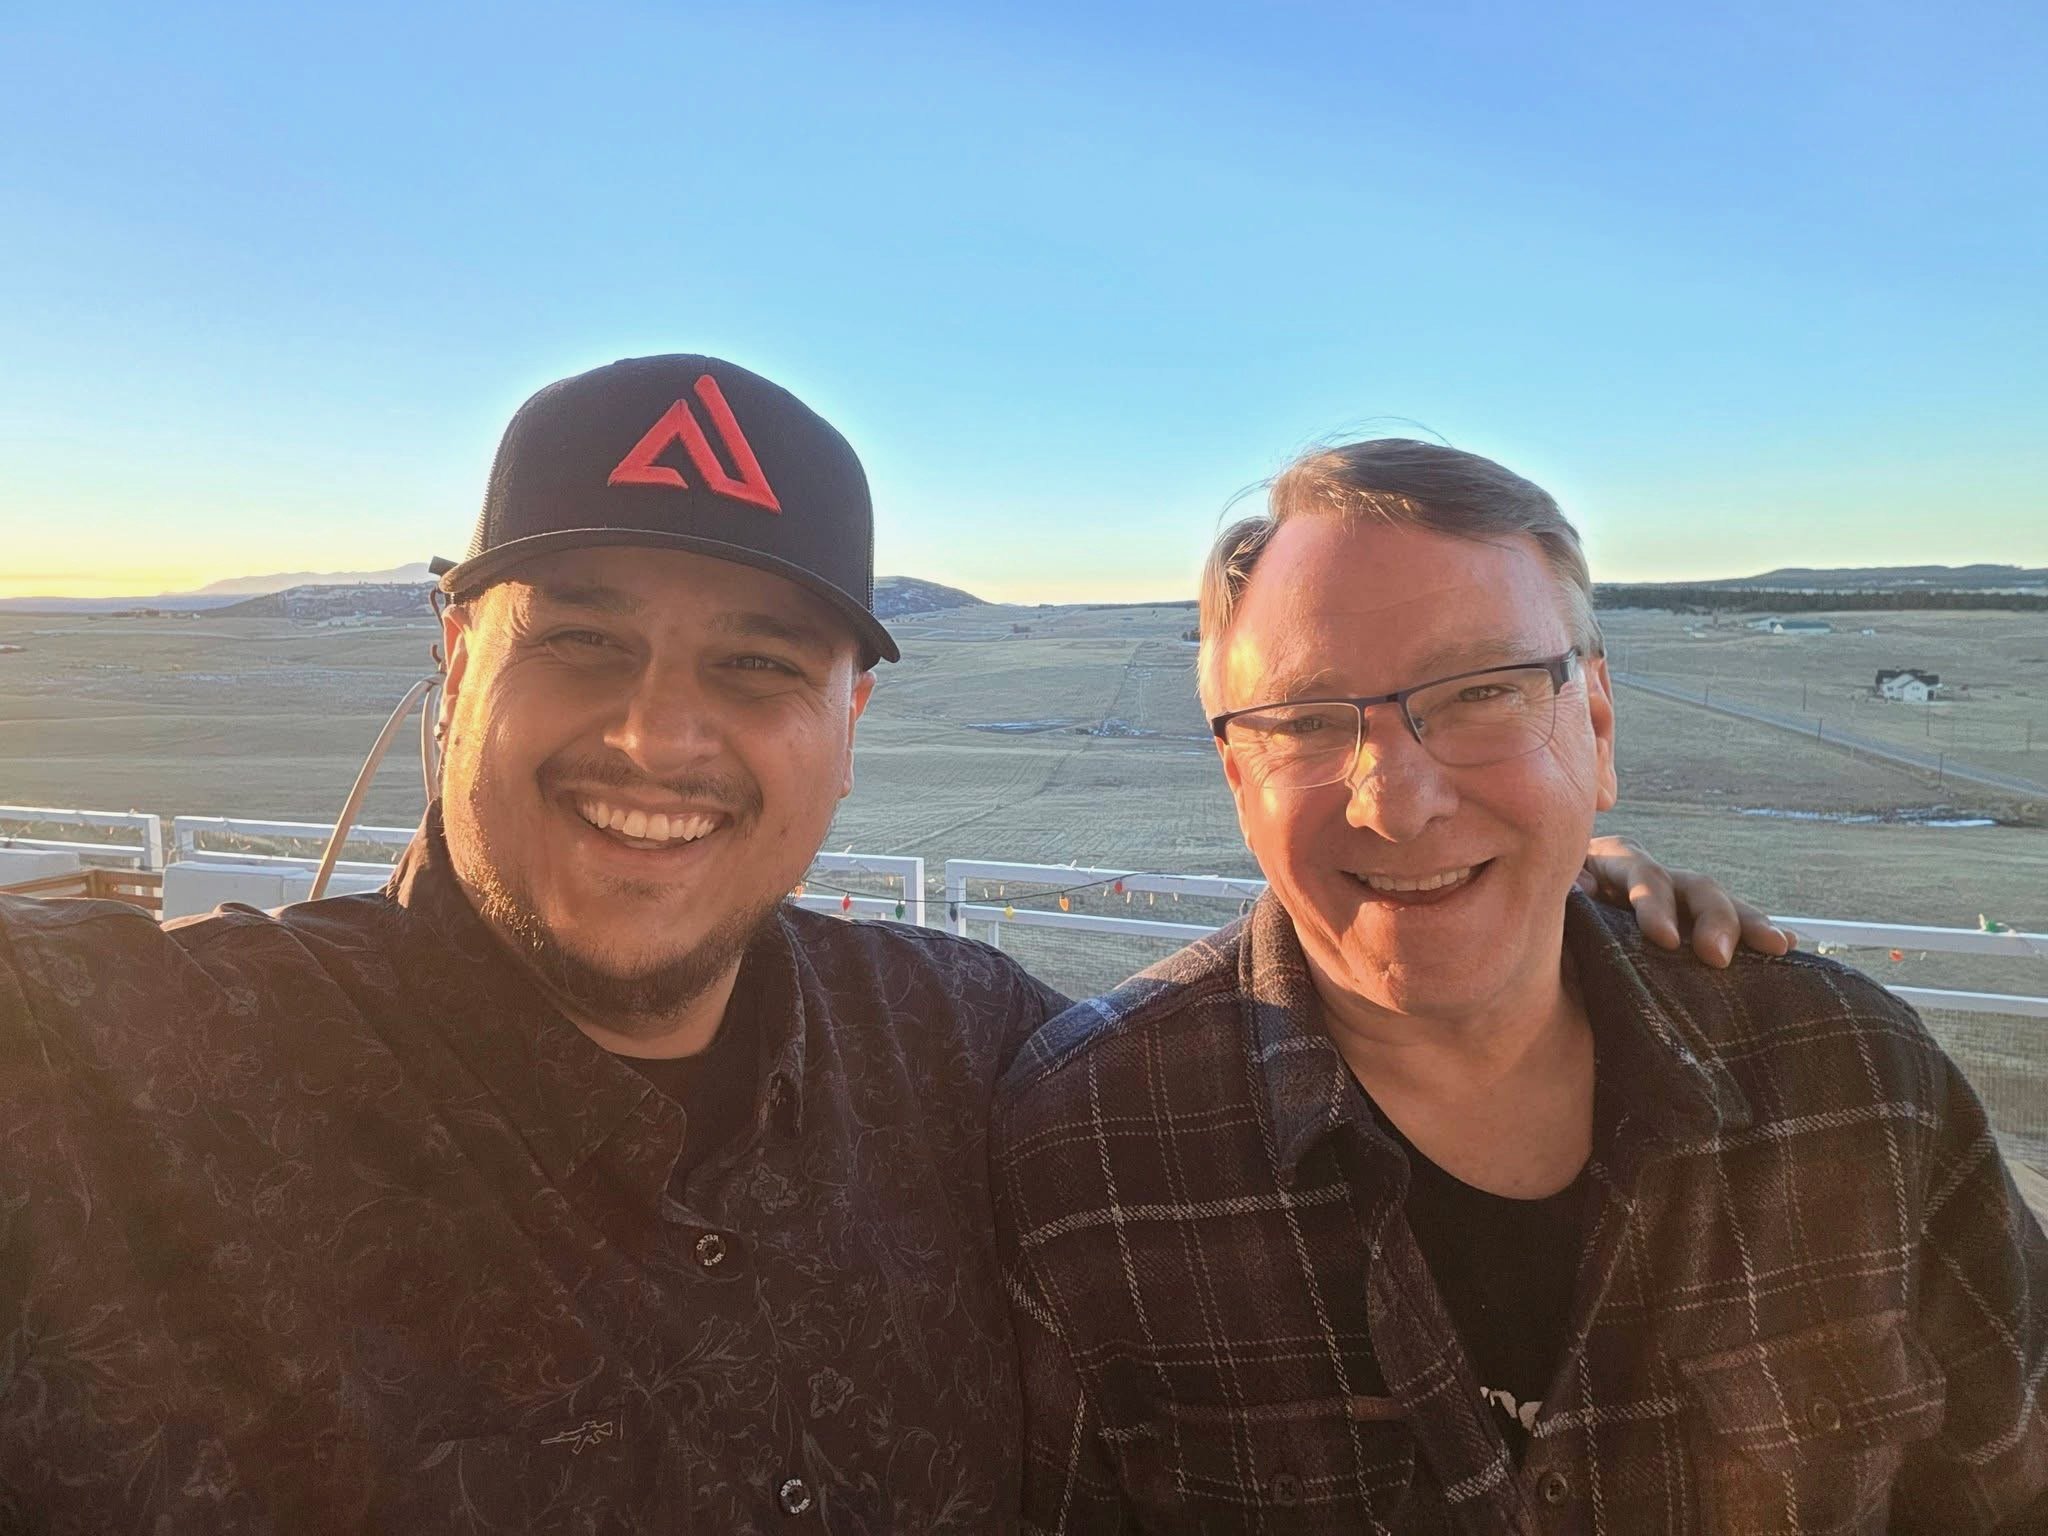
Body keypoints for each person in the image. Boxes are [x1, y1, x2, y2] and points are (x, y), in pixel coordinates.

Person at [0, 359, 1774, 1532]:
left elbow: (1304, 1053)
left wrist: (1539, 888)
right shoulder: (131, 1078)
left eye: (759, 667)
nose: (659, 735)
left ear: (849, 720)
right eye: (581, 642)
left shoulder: (961, 1052)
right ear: (455, 660)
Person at [993, 438, 2048, 1533]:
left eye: (1478, 694)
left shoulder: (1854, 1081)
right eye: (1305, 723)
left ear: (1592, 725)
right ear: (1235, 777)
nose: (1394, 806)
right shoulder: (1085, 1145)